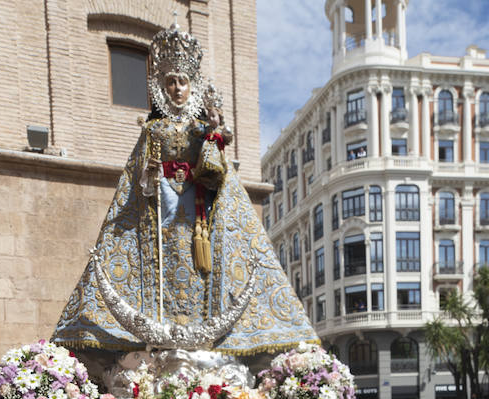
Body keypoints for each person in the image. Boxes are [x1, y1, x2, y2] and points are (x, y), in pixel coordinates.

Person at [51, 24, 315, 361]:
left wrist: (214, 136)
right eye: (170, 82)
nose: (177, 88)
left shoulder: (203, 130)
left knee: (203, 265)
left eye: (183, 81)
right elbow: (138, 183)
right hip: (161, 212)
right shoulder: (152, 130)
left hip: (200, 215)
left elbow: (218, 175)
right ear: (161, 87)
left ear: (193, 86)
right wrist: (150, 175)